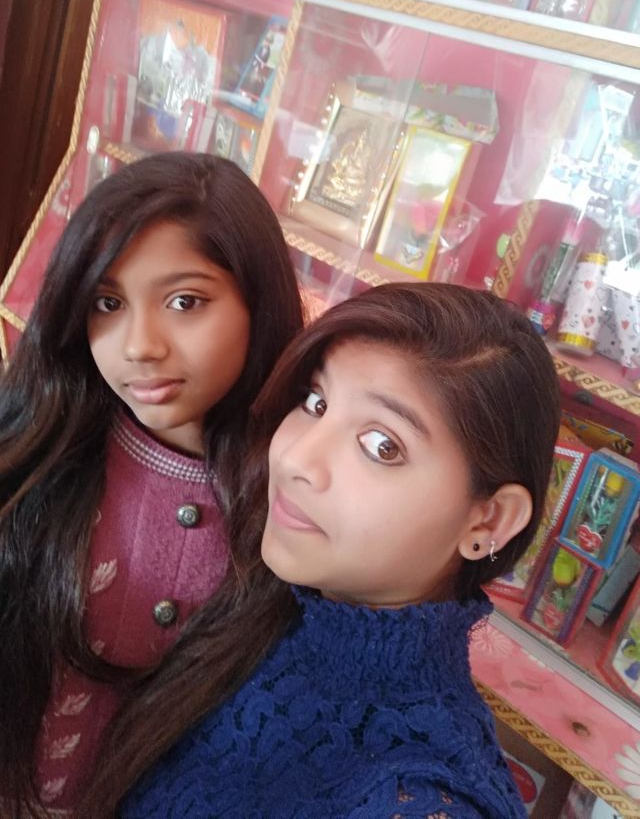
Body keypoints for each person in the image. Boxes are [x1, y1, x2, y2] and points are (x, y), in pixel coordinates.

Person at [86, 282, 560, 818]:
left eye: (382, 446)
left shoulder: (421, 795)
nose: (295, 459)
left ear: (488, 519)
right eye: (316, 402)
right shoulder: (275, 600)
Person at [0, 151, 303, 817]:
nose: (139, 344)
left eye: (184, 301)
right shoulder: (36, 454)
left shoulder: (294, 501)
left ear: (258, 303)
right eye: (107, 303)